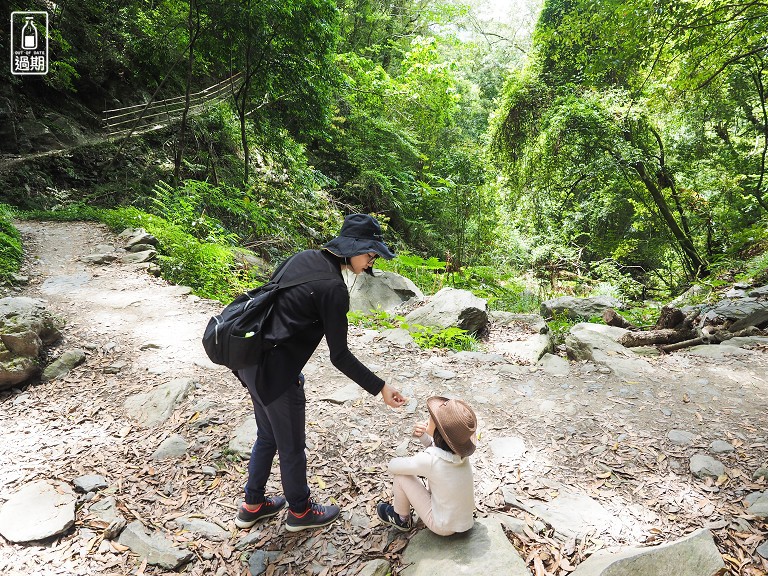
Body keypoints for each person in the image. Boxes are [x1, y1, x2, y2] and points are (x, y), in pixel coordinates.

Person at [233, 213, 408, 533]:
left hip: (248, 359)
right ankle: (300, 512)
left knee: (267, 435)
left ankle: (253, 504)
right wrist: (380, 386)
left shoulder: (304, 258)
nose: (371, 263)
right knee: (291, 447)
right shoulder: (334, 289)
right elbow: (339, 356)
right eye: (370, 254)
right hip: (275, 374)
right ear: (353, 247)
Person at [376, 396, 477, 536]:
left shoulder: (430, 460)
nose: (428, 417)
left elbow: (393, 466)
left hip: (442, 526)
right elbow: (441, 452)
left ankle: (401, 518)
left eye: (432, 417)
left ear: (438, 430)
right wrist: (424, 437)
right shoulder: (460, 455)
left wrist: (403, 460)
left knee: (401, 477)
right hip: (464, 520)